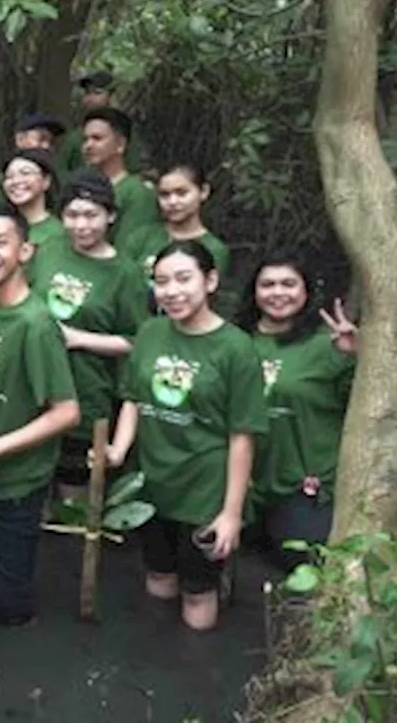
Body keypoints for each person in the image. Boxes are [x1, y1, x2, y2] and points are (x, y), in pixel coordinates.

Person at [103, 241, 268, 631]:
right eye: (161, 282)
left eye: (183, 279)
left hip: (205, 489)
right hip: (152, 482)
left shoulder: (237, 348)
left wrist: (230, 514)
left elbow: (243, 434)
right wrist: (117, 449)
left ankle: (197, 669)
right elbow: (134, 399)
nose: (172, 291)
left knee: (198, 591)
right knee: (158, 578)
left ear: (210, 281)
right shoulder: (150, 332)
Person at [0, 206, 81, 626]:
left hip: (17, 480)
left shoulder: (36, 324)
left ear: (25, 251)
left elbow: (67, 412)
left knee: (10, 605)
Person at [27, 172, 147, 503]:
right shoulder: (50, 250)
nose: (82, 225)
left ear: (110, 216)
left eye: (91, 215)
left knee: (74, 504)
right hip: (34, 392)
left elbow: (138, 342)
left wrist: (78, 338)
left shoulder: (126, 273)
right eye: (73, 215)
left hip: (87, 395)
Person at [237, 250, 356, 570]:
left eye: (288, 284)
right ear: (255, 291)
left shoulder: (328, 346)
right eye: (268, 284)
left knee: (300, 571)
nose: (278, 293)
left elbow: (359, 411)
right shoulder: (235, 341)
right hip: (243, 482)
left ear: (306, 291)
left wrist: (355, 356)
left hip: (303, 483)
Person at [127, 163, 231, 285]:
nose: (172, 202)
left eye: (181, 193)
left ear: (203, 191)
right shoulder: (142, 237)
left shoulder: (214, 248)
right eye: (164, 195)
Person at [80, 107, 160, 253]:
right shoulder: (80, 188)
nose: (88, 145)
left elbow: (130, 251)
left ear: (120, 144)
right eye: (85, 139)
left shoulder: (137, 192)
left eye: (97, 138)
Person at [1, 148, 64, 246]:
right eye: (9, 176)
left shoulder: (60, 232)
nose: (16, 181)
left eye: (25, 173)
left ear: (46, 181)